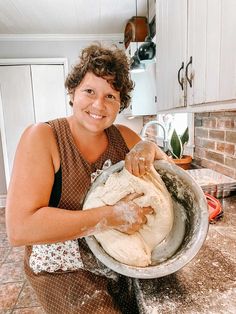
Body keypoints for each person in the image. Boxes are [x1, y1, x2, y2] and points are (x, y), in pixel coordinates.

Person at [6, 43, 170, 314]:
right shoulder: (43, 138)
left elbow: (171, 182)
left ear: (121, 103)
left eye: (110, 96)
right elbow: (20, 228)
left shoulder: (124, 137)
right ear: (72, 92)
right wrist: (112, 216)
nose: (99, 105)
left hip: (111, 257)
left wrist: (149, 147)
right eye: (89, 91)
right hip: (61, 267)